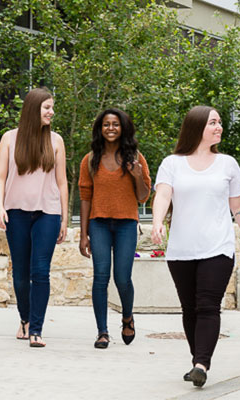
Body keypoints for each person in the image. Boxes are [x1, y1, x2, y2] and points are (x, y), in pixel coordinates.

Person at [151, 106, 240, 388]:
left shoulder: (228, 164)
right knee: (189, 308)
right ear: (197, 127)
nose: (219, 127)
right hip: (181, 249)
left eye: (220, 122)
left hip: (217, 248)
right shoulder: (172, 163)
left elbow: (238, 205)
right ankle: (197, 359)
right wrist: (158, 222)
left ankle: (201, 364)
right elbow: (162, 195)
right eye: (213, 122)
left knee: (208, 305)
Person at [0, 87, 69, 348]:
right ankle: (24, 319)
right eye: (47, 107)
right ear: (33, 108)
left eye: (52, 107)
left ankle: (36, 329)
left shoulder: (56, 141)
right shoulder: (9, 139)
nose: (52, 112)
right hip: (16, 213)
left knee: (41, 272)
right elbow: (0, 176)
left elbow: (62, 182)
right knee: (21, 275)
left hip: (47, 213)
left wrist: (65, 218)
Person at [78, 108, 151, 349]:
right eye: (106, 124)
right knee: (100, 277)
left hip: (126, 224)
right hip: (98, 224)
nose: (111, 128)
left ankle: (127, 317)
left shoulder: (135, 158)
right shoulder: (90, 160)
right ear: (100, 128)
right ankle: (102, 332)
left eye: (115, 124)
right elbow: (85, 197)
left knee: (122, 278)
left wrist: (137, 175)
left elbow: (143, 197)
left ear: (123, 128)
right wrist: (83, 234)